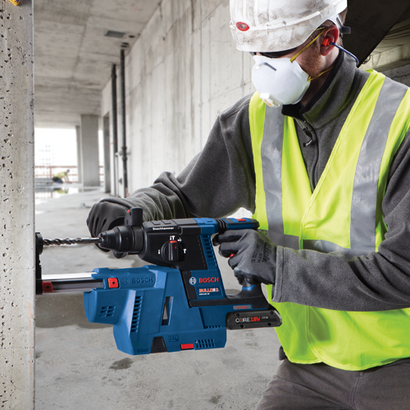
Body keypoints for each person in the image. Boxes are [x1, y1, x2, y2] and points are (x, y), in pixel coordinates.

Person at [87, 0, 410, 408]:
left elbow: (404, 272)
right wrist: (135, 209)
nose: (262, 66)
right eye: (255, 51)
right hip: (308, 363)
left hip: (399, 363)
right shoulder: (252, 119)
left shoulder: (400, 121)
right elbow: (184, 195)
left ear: (328, 38)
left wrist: (276, 264)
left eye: (277, 51)